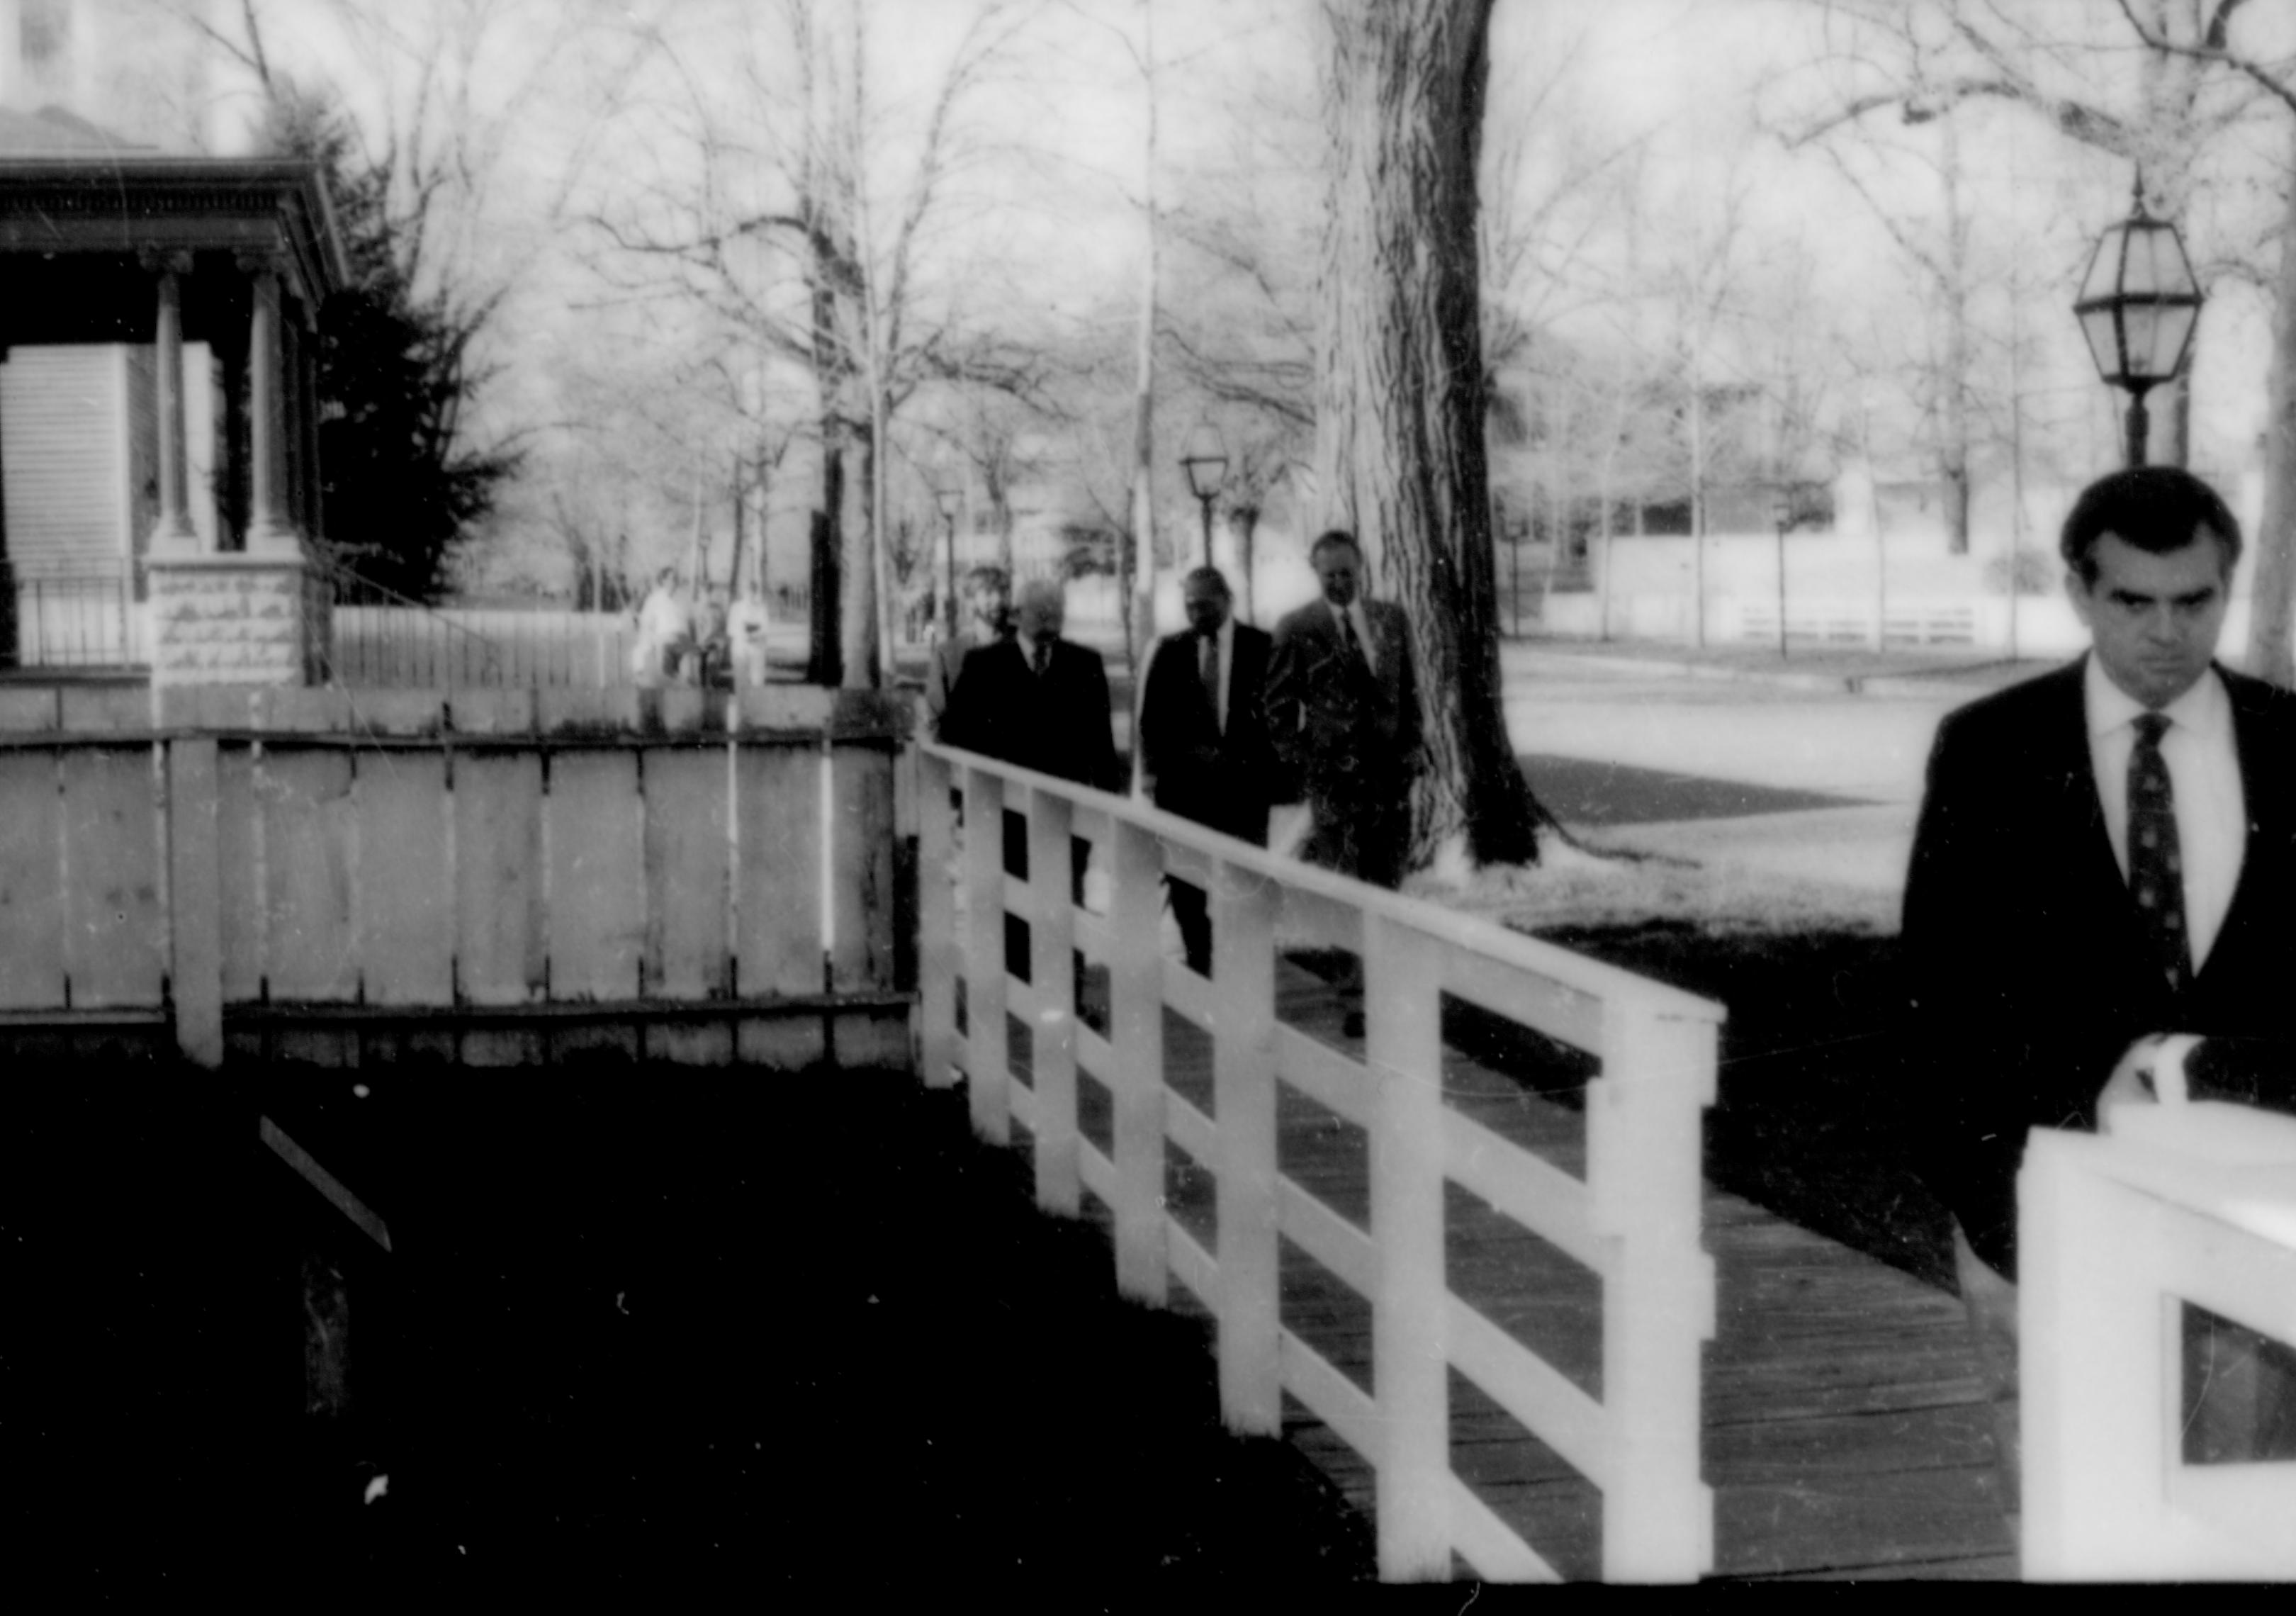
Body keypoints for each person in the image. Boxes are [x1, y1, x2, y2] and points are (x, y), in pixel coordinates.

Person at [1901, 464, 2296, 1517]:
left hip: (2252, 1212)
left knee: (2236, 1512)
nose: (2165, 632)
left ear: (2227, 589)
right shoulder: (1989, 751)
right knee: (2073, 1515)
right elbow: (1939, 1004)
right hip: (2037, 1203)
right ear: (2079, 592)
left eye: (2195, 601)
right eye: (2132, 601)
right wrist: (2000, 1219)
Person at [1264, 529, 1423, 890]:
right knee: (1344, 885)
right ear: (1315, 572)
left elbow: (1410, 694)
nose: (1339, 581)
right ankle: (1350, 949)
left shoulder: (1391, 618)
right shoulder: (1297, 627)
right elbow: (1278, 710)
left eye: (1346, 572)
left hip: (1389, 780)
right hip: (1334, 782)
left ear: (1361, 568)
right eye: (1330, 574)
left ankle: (1381, 949)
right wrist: (1309, 765)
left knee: (1388, 882)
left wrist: (1410, 753)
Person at [1137, 566, 1278, 974]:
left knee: (1245, 881)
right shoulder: (1171, 650)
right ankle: (1200, 958)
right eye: (1189, 606)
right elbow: (1152, 722)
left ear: (1227, 600)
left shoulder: (1262, 647)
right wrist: (1164, 769)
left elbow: (1278, 717)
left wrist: (1249, 764)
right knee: (1186, 883)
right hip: (1186, 789)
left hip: (1244, 787)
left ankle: (1244, 963)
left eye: (1205, 604)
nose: (1196, 614)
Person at [925, 566, 1011, 739]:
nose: (998, 600)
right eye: (988, 593)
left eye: (1002, 592)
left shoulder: (1026, 648)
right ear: (971, 601)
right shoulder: (948, 655)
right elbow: (935, 720)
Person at [629, 566, 692, 688]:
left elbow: (687, 624)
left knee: (690, 669)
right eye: (672, 579)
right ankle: (668, 682)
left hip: (682, 639)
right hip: (664, 638)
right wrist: (649, 642)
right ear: (663, 581)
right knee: (663, 664)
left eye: (676, 579)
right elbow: (646, 625)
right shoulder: (654, 600)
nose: (675, 582)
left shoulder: (683, 600)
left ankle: (685, 685)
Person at [727, 573, 772, 689]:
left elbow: (766, 629)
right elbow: (731, 630)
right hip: (741, 647)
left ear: (755, 591)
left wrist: (754, 635)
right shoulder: (735, 608)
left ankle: (756, 704)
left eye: (752, 589)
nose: (749, 592)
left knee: (757, 681)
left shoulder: (761, 608)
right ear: (742, 591)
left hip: (757, 647)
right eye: (746, 589)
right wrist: (744, 634)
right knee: (740, 681)